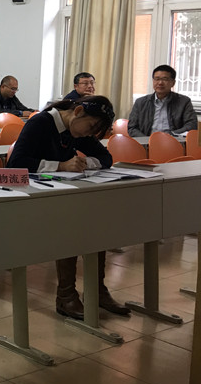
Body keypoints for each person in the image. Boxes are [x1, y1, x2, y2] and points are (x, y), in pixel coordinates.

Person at [7, 95, 130, 320]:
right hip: (31, 197)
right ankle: (66, 295)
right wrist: (60, 166)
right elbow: (15, 164)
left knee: (96, 225)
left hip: (61, 196)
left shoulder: (75, 129)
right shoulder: (41, 123)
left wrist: (84, 163)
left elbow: (105, 157)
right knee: (72, 225)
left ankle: (96, 290)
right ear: (78, 111)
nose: (88, 134)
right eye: (90, 127)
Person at [128, 64, 197, 137]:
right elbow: (132, 128)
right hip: (146, 141)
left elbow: (191, 125)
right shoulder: (140, 102)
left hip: (173, 141)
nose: (160, 83)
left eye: (165, 79)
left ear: (173, 83)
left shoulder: (184, 102)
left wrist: (170, 135)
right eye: (157, 79)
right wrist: (147, 140)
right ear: (153, 81)